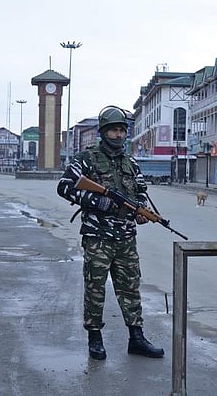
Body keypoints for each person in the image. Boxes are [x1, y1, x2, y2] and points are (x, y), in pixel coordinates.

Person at [57, 106, 164, 360]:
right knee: (95, 288)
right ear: (103, 132)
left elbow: (139, 194)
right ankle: (95, 338)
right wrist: (97, 202)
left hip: (126, 238)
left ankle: (136, 338)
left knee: (130, 287)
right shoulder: (86, 159)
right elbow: (64, 187)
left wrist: (141, 213)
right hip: (97, 237)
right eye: (113, 130)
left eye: (121, 131)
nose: (118, 135)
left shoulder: (131, 163)